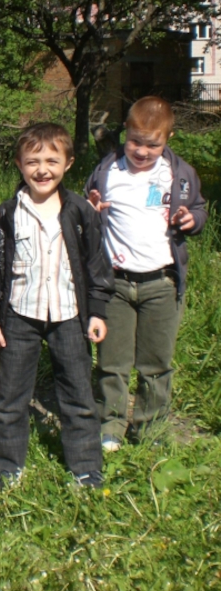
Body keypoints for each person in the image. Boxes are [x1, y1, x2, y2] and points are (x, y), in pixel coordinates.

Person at [0, 123, 114, 489]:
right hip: (19, 316)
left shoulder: (80, 211)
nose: (42, 170)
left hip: (70, 316)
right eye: (32, 161)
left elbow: (96, 265)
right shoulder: (7, 214)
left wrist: (97, 311)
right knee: (11, 396)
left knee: (78, 393)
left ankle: (85, 468)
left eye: (52, 161)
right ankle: (8, 467)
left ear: (68, 163)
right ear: (19, 164)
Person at [85, 97, 207, 450]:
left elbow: (199, 209)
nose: (142, 151)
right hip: (116, 283)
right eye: (135, 141)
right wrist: (91, 210)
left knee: (156, 362)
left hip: (161, 282)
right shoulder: (108, 171)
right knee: (112, 360)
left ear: (168, 138)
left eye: (152, 144)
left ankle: (149, 427)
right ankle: (111, 424)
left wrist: (192, 219)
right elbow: (87, 212)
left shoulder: (179, 175)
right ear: (125, 132)